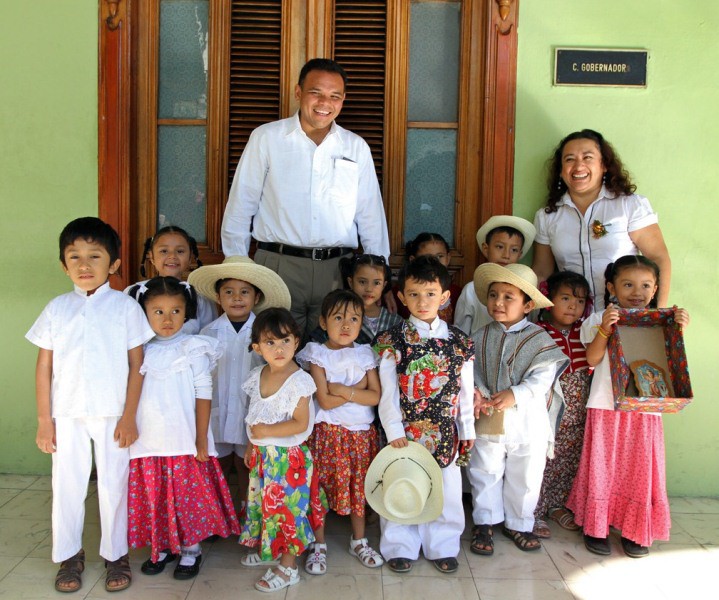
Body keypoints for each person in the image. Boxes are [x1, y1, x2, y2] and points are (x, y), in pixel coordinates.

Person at [25, 217, 154, 593]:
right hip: (66, 415)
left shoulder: (126, 308)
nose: (84, 265)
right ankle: (69, 555)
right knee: (67, 485)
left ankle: (116, 553)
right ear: (64, 265)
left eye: (94, 256)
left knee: (115, 485)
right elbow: (44, 367)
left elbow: (137, 365)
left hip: (114, 413)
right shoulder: (56, 309)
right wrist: (44, 420)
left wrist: (130, 416)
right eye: (75, 257)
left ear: (113, 264)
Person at [221, 58, 390, 338]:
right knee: (275, 355)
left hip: (338, 270)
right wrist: (237, 269)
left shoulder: (356, 147)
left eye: (335, 96)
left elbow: (370, 216)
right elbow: (241, 206)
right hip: (277, 265)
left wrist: (378, 277)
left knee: (331, 359)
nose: (325, 102)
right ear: (298, 92)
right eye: (317, 92)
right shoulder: (267, 138)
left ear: (343, 100)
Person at [567, 255, 690, 558]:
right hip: (606, 406)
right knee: (603, 464)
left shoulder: (661, 320)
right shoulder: (598, 318)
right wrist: (605, 330)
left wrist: (679, 329)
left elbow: (667, 359)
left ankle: (636, 529)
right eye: (628, 284)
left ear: (656, 288)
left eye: (645, 285)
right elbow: (593, 360)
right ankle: (597, 526)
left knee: (640, 467)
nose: (637, 291)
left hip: (644, 408)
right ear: (611, 286)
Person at [126, 277, 240, 580]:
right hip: (149, 439)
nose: (167, 319)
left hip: (184, 438)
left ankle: (190, 549)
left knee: (187, 498)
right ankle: (161, 546)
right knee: (157, 496)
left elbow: (204, 393)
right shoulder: (140, 350)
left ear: (186, 312)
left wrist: (201, 438)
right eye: (158, 311)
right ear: (144, 313)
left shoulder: (193, 348)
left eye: (175, 311)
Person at [374, 256, 475, 574]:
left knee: (445, 488)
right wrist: (393, 431)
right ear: (402, 297)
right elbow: (387, 392)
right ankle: (399, 544)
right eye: (414, 294)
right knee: (401, 482)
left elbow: (466, 391)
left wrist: (467, 429)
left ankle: (443, 545)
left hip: (446, 430)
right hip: (404, 429)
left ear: (445, 296)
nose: (422, 301)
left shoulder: (459, 342)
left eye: (431, 293)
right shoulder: (393, 342)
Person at [468, 263, 568, 555]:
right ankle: (484, 522)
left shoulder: (540, 340)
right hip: (488, 416)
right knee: (485, 468)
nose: (498, 302)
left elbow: (543, 378)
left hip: (527, 421)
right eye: (493, 295)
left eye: (508, 297)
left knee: (525, 473)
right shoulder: (479, 337)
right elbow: (470, 372)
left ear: (528, 305)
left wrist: (516, 393)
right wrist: (477, 393)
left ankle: (519, 522)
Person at [188, 256, 292, 509]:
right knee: (218, 463)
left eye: (244, 292)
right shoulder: (207, 333)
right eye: (229, 292)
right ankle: (219, 511)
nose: (237, 298)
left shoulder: (265, 333)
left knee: (247, 464)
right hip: (218, 410)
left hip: (251, 411)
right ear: (218, 297)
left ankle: (248, 510)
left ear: (256, 298)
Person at [532, 129, 672, 310]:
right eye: (569, 159)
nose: (578, 166)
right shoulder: (547, 216)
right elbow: (542, 273)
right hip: (571, 321)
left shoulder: (629, 205)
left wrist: (657, 315)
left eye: (587, 157)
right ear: (561, 170)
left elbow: (658, 258)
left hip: (623, 318)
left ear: (604, 164)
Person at [239, 308, 327, 592]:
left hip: (289, 461)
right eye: (270, 342)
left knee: (288, 512)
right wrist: (253, 444)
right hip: (265, 458)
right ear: (257, 347)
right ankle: (272, 550)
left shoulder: (299, 380)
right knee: (267, 509)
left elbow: (301, 423)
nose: (279, 349)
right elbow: (254, 414)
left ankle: (289, 568)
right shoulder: (258, 375)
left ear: (296, 342)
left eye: (285, 341)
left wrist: (267, 433)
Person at [297, 290, 383, 575]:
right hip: (327, 434)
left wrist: (343, 390)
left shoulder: (365, 353)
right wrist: (359, 391)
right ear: (323, 322)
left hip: (360, 434)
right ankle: (318, 544)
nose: (346, 325)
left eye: (354, 319)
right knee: (319, 487)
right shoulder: (317, 353)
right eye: (338, 318)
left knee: (358, 486)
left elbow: (375, 397)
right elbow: (324, 400)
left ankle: (358, 540)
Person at [532, 271, 592, 539]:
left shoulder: (586, 331)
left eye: (579, 301)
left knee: (567, 460)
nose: (572, 306)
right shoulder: (538, 331)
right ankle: (533, 510)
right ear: (548, 299)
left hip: (577, 410)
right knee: (539, 460)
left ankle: (556, 505)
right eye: (565, 298)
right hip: (546, 409)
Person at [454, 216, 536, 336]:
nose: (506, 255)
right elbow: (461, 333)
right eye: (499, 247)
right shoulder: (471, 290)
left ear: (520, 254)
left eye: (514, 250)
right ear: (486, 249)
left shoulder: (527, 290)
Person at [126, 225, 217, 333]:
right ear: (151, 257)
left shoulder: (200, 299)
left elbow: (209, 337)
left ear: (190, 257)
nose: (172, 256)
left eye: (180, 251)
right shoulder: (135, 293)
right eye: (164, 251)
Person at [310, 253, 402, 345]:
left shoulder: (394, 320)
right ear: (350, 282)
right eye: (362, 282)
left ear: (384, 285)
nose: (369, 289)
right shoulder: (337, 313)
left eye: (377, 283)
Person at [395, 232, 461, 323]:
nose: (434, 261)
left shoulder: (457, 292)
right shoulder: (401, 291)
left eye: (440, 256)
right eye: (414, 295)